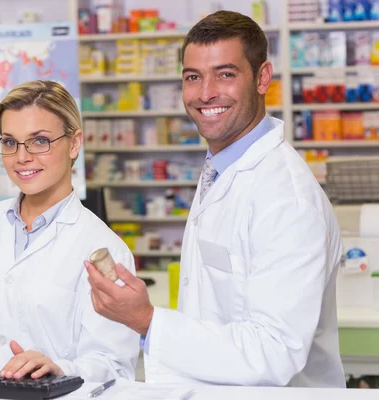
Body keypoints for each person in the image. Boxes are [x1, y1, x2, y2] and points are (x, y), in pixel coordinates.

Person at [85, 10, 345, 388]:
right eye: (193, 77)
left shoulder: (286, 198)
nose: (205, 93)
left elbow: (274, 350)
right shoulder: (222, 169)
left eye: (225, 74)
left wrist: (147, 320)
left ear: (262, 78)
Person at [0, 80, 140, 382]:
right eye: (9, 142)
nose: (22, 157)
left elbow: (113, 364)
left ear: (74, 143)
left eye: (40, 141)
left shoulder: (103, 248)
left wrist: (61, 370)